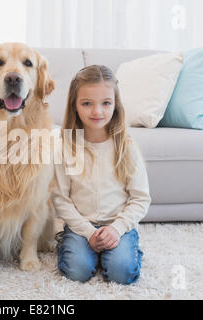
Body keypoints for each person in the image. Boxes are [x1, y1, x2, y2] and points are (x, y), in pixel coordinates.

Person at [52, 65, 151, 285]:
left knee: (121, 274)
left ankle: (123, 248)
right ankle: (75, 245)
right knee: (77, 272)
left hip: (118, 225)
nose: (97, 112)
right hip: (81, 226)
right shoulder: (65, 147)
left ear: (115, 105)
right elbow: (60, 199)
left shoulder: (127, 146)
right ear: (75, 106)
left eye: (106, 103)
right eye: (87, 103)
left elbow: (140, 198)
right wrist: (88, 232)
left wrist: (117, 229)